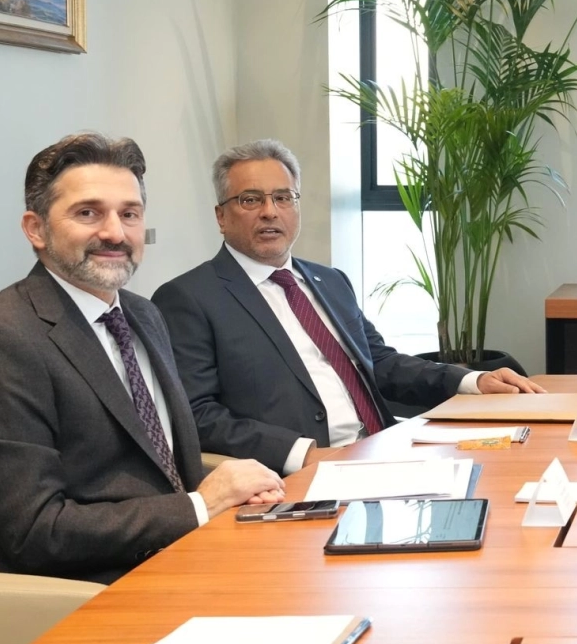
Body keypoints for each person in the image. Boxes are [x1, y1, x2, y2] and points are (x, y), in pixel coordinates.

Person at [0, 134, 284, 583]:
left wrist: (233, 491)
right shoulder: (0, 345)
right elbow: (38, 532)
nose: (115, 233)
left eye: (129, 214)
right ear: (35, 229)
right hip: (86, 597)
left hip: (182, 561)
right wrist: (200, 506)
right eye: (88, 213)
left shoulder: (142, 314)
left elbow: (158, 468)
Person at [153, 140, 542, 475]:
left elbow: (381, 363)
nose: (270, 211)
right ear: (221, 216)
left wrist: (471, 381)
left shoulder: (330, 281)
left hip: (385, 451)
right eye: (251, 200)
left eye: (283, 197)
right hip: (296, 476)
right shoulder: (188, 298)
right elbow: (197, 414)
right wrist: (302, 454)